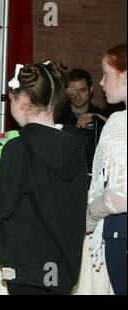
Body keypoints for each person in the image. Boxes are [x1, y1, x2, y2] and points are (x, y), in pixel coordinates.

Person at [0, 62, 89, 295]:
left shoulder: (19, 149)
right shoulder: (75, 145)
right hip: (62, 270)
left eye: (11, 101)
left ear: (24, 102)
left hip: (28, 270)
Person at [87, 43, 127, 295]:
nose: (101, 83)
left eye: (106, 74)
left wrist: (89, 215)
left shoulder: (119, 122)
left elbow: (120, 195)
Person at [57, 69, 109, 172]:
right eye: (73, 91)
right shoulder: (57, 116)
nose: (77, 96)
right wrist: (60, 96)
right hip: (64, 178)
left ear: (90, 89)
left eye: (82, 90)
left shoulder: (102, 115)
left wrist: (99, 119)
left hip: (94, 178)